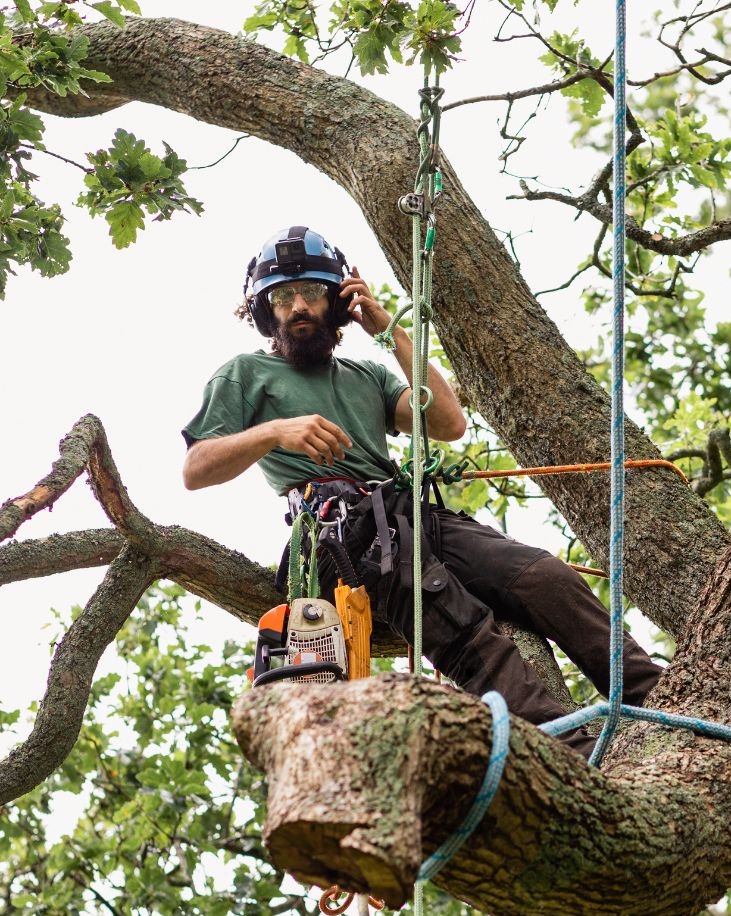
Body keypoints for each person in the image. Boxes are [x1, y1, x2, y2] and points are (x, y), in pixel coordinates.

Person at [182, 226, 663, 755]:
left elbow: (448, 420)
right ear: (264, 312)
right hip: (341, 530)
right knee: (455, 617)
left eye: (314, 293)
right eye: (281, 297)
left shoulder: (365, 374)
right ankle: (567, 746)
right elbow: (197, 468)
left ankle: (656, 696)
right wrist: (276, 431)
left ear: (339, 302)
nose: (297, 306)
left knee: (546, 578)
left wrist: (387, 328)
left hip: (407, 513)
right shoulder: (247, 373)